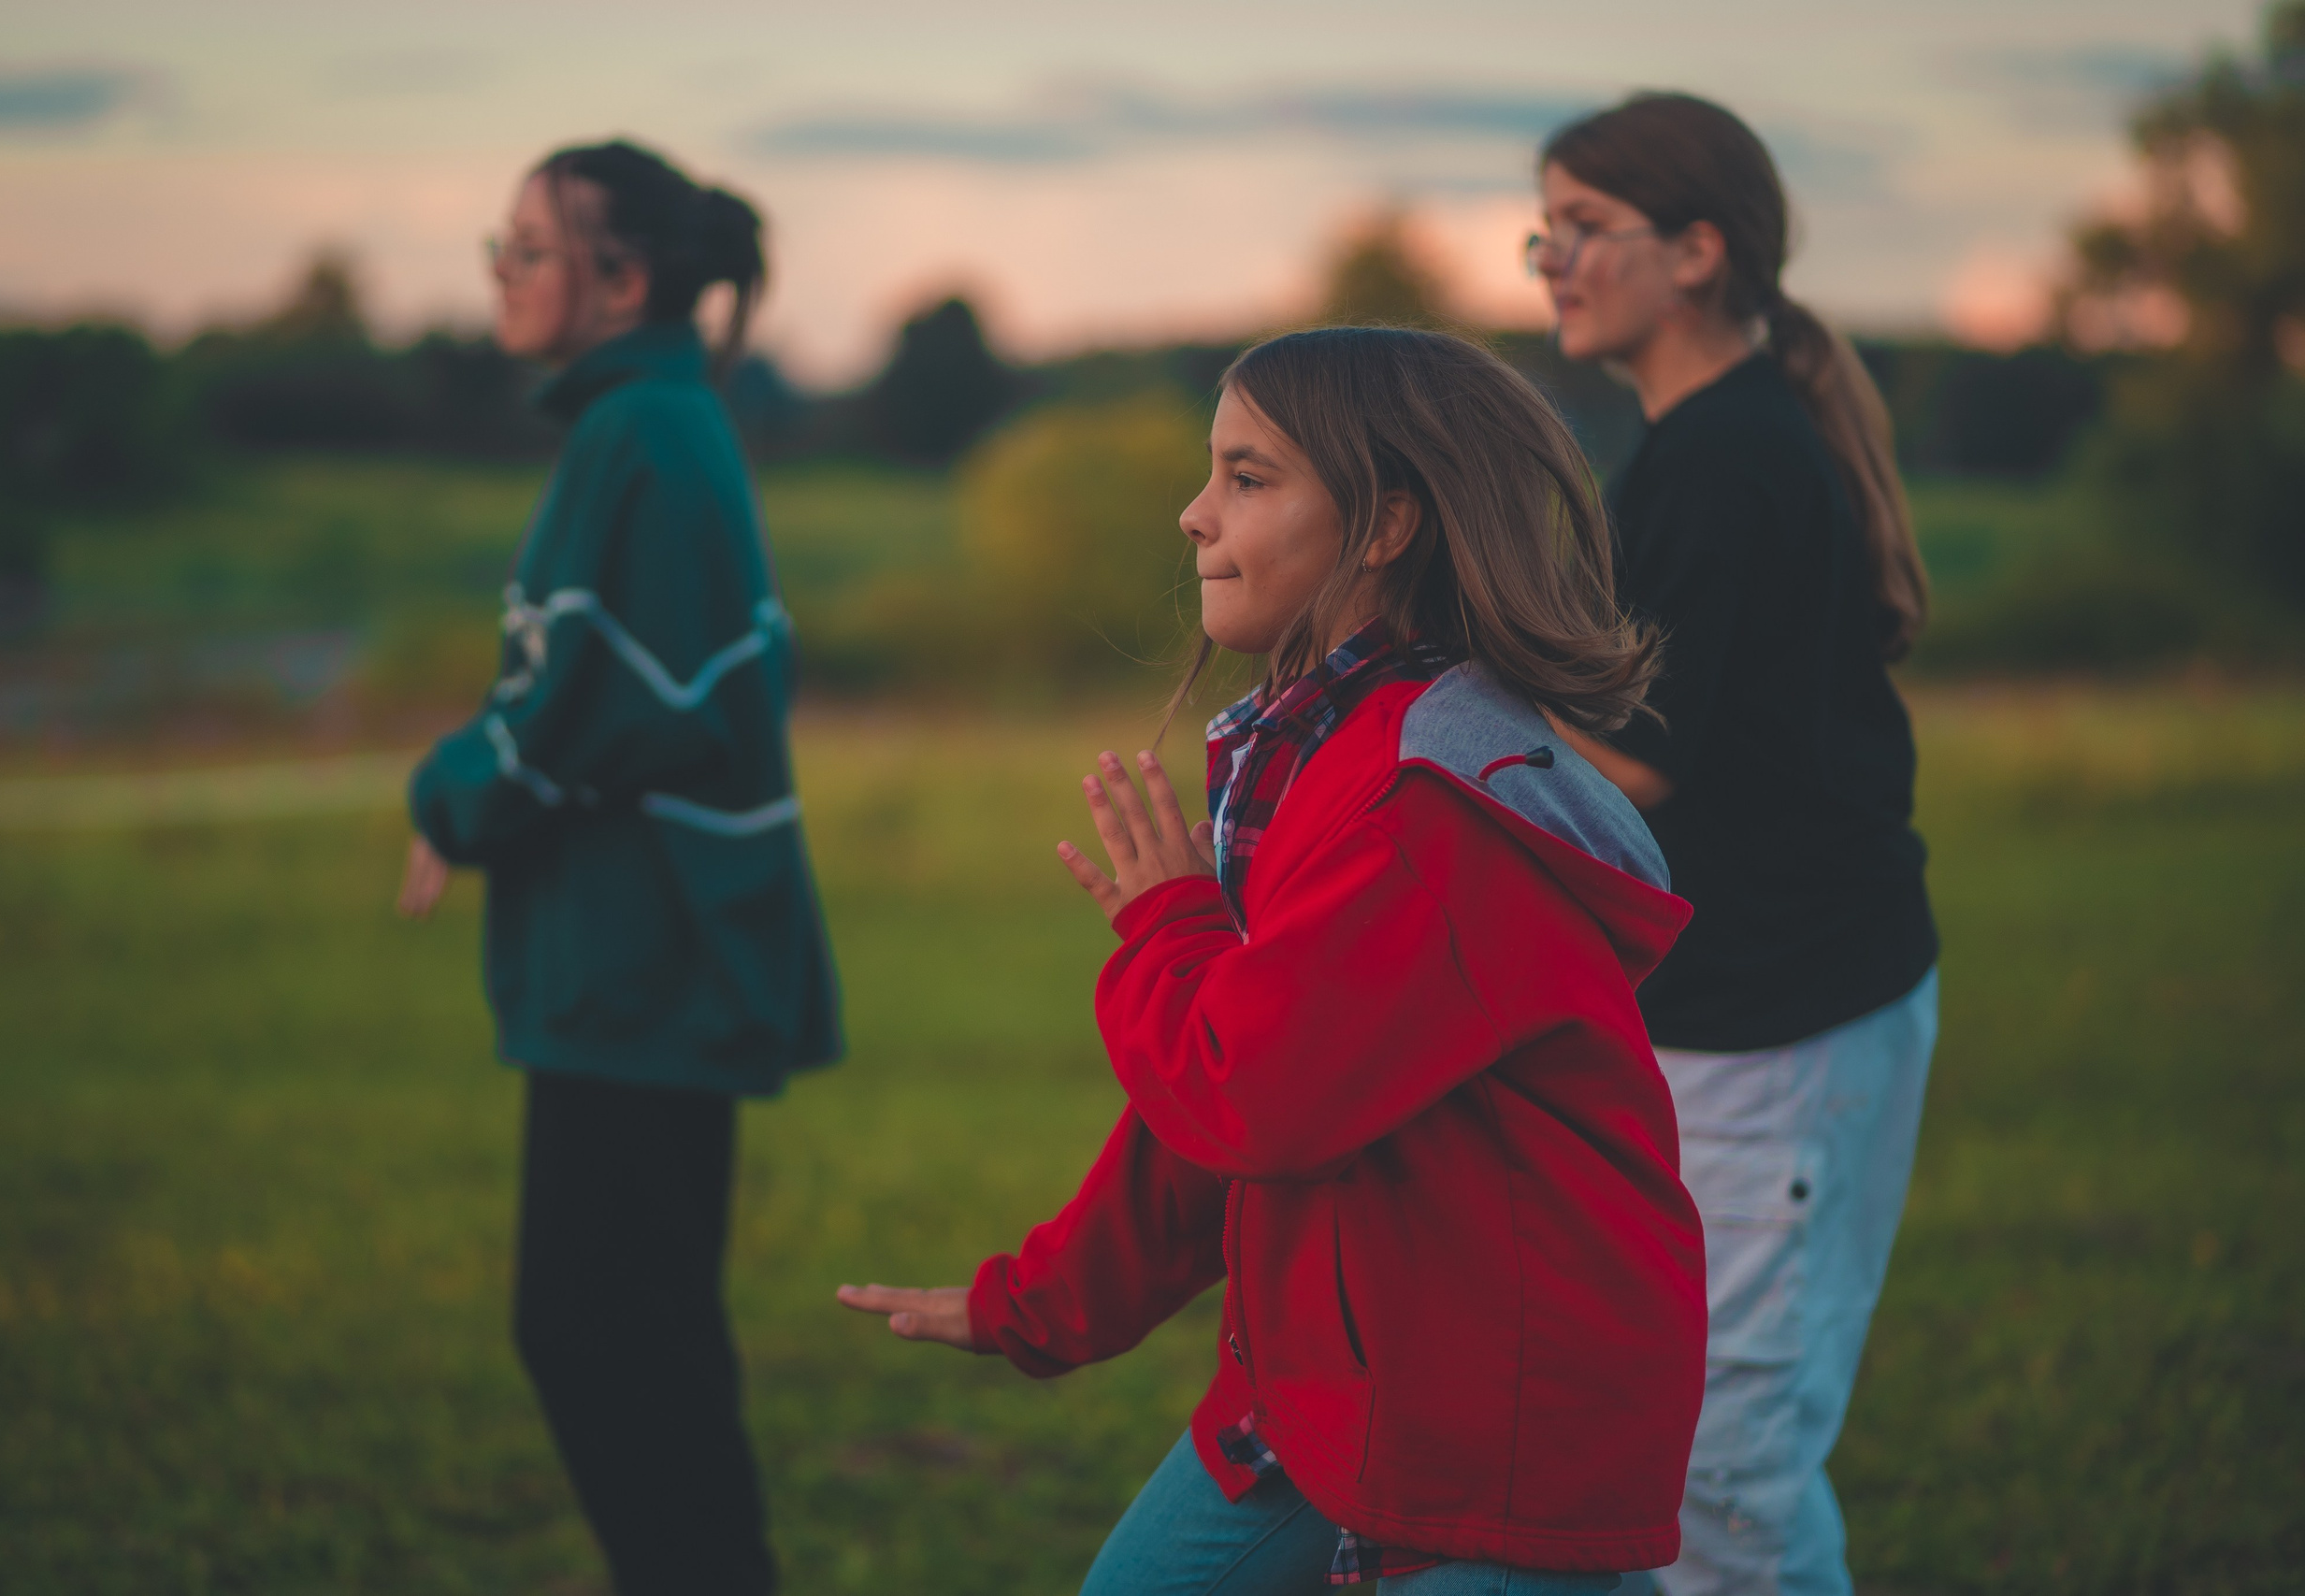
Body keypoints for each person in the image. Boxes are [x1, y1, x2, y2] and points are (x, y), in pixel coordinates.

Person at [839, 326, 1707, 1595]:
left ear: (1385, 521)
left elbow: (1252, 1090)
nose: (1194, 516)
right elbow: (1219, 1109)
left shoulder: (1427, 809)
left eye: (1249, 478)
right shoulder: (1309, 755)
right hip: (1329, 1396)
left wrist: (1173, 930)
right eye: (1213, 473)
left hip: (1500, 1433)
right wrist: (1033, 1305)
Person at [396, 138, 841, 1596]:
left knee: (603, 1333)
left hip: (650, 954)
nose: (505, 275)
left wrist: (445, 795)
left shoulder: (641, 432)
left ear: (622, 278)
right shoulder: (653, 420)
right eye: (504, 247)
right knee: (630, 1331)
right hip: (643, 950)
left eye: (531, 248)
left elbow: (578, 703)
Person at [1526, 93, 1942, 1596]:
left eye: (1584, 230)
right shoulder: (1709, 440)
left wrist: (1437, 708)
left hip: (1790, 1023)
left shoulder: (1724, 457)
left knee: (1727, 1476)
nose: (1551, 261)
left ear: (1698, 251)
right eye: (1546, 230)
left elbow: (1631, 758)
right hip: (1740, 1018)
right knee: (1674, 1446)